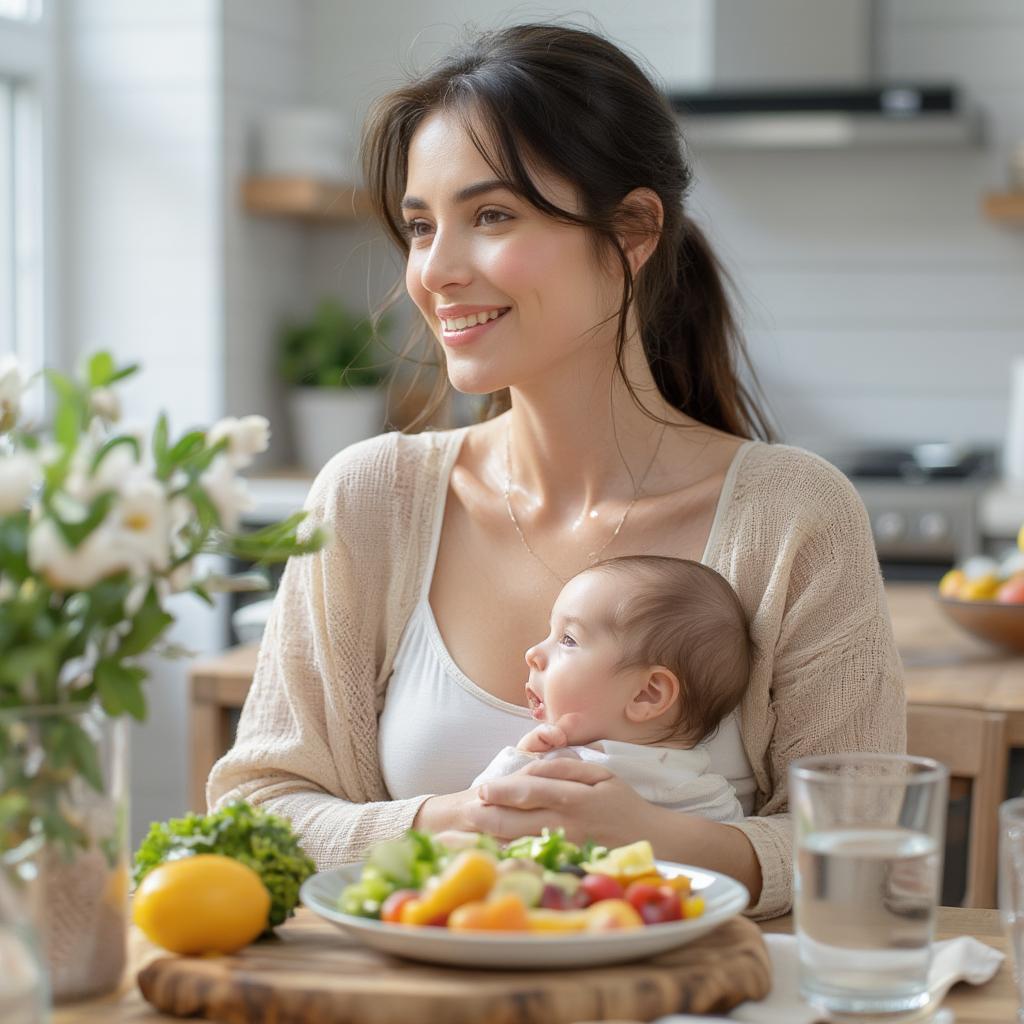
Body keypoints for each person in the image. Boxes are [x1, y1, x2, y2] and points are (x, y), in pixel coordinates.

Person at [207, 22, 904, 919]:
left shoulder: (794, 516)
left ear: (634, 229)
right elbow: (255, 809)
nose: (437, 271)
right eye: (422, 227)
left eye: (491, 216)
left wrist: (656, 837)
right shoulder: (369, 498)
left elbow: (872, 843)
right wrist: (453, 824)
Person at [471, 555, 749, 824]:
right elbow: (732, 860)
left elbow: (480, 814)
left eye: (567, 640)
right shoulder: (709, 794)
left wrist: (520, 760)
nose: (533, 653)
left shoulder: (560, 768)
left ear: (646, 694)